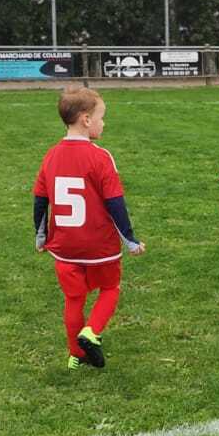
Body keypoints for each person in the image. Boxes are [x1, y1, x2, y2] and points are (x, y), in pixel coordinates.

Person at [33, 86, 145, 371]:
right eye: (101, 117)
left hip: (64, 246)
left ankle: (75, 355)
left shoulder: (51, 155)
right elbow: (115, 203)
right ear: (85, 119)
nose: (103, 123)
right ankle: (91, 332)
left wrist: (40, 235)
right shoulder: (100, 157)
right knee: (110, 288)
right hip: (98, 245)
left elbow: (40, 200)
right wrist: (130, 240)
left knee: (73, 299)